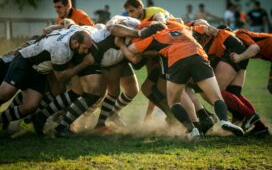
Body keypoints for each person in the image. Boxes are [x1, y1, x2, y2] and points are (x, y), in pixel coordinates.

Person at [115, 22, 245, 137]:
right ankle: (224, 121)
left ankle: (192, 129)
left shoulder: (153, 38)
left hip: (177, 62)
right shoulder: (183, 28)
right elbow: (209, 29)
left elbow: (131, 53)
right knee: (216, 97)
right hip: (198, 57)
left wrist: (121, 45)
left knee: (174, 102)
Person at [0, 25, 94, 127]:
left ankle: (2, 121)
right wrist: (84, 63)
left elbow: (67, 25)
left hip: (39, 72)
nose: (86, 52)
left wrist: (52, 27)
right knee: (5, 93)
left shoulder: (76, 31)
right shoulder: (61, 49)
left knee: (30, 106)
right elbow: (61, 77)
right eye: (85, 48)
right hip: (25, 62)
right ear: (75, 43)